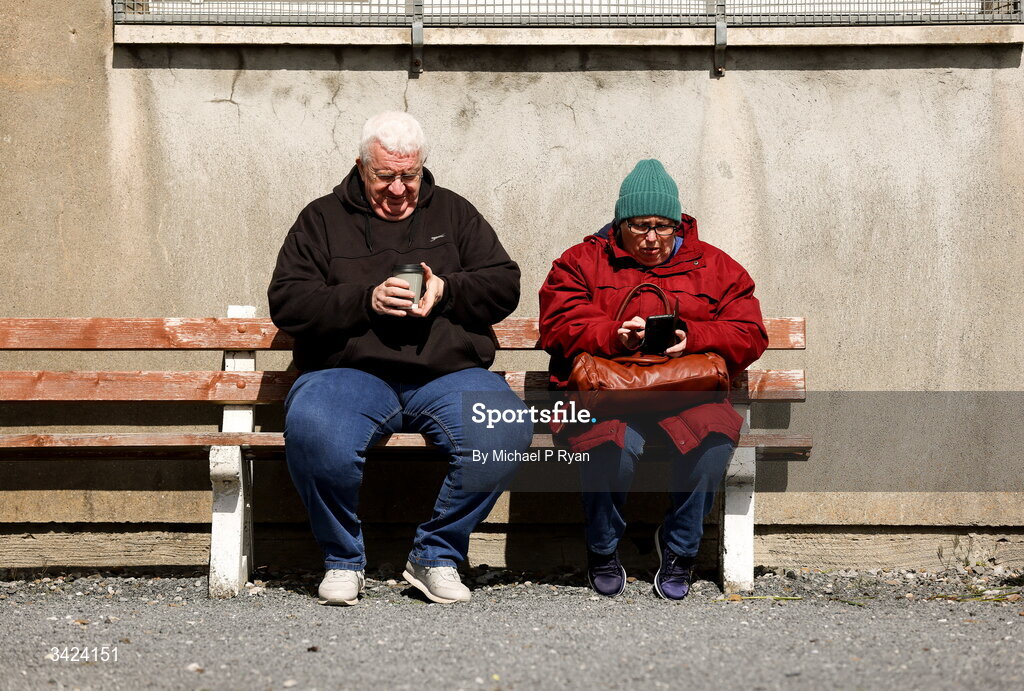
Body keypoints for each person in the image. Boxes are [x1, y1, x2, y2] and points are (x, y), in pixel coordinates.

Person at [268, 111, 531, 606]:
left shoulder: (454, 213)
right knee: (316, 429)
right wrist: (363, 300)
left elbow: (504, 284)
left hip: (447, 374)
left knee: (504, 428)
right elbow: (287, 300)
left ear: (422, 167)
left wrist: (447, 289)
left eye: (408, 176)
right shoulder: (322, 219)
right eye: (384, 176)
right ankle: (342, 559)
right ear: (361, 166)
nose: (397, 189)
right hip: (348, 373)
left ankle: (437, 555)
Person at [538, 159, 768, 600]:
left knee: (716, 435)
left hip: (684, 390)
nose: (651, 238)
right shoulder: (581, 261)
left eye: (663, 226)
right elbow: (558, 321)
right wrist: (611, 334)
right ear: (619, 223)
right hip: (608, 391)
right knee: (607, 445)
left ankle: (681, 550)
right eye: (640, 225)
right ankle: (603, 548)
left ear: (678, 222)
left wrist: (695, 334)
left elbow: (750, 332)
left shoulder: (716, 266)